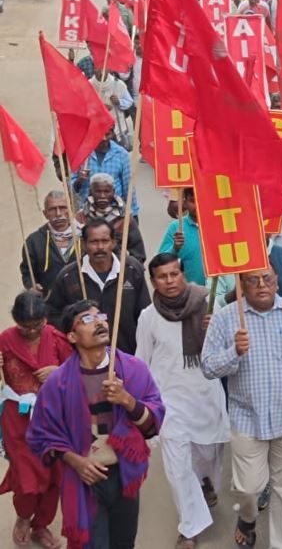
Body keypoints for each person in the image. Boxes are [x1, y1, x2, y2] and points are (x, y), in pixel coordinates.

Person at [26, 301, 164, 549]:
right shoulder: (57, 384)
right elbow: (39, 435)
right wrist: (74, 460)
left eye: (101, 316)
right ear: (71, 336)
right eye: (87, 320)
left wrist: (127, 400)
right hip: (83, 481)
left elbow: (152, 428)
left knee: (124, 543)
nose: (100, 322)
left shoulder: (133, 370)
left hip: (124, 476)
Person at [201, 267, 282, 549]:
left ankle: (280, 545)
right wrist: (234, 352)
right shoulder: (226, 318)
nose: (262, 285)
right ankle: (247, 517)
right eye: (252, 280)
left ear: (277, 281)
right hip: (246, 421)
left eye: (267, 278)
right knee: (248, 490)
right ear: (241, 285)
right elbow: (207, 367)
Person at [136, 254, 228, 549]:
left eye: (174, 274)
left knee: (208, 457)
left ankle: (205, 483)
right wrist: (144, 407)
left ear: (183, 275)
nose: (170, 281)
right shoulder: (148, 317)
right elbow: (142, 362)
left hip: (206, 397)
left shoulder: (208, 304)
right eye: (162, 276)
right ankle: (190, 527)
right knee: (177, 468)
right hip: (169, 405)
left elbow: (230, 350)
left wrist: (217, 328)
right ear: (153, 282)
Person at [0, 291, 72, 549]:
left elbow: (77, 371)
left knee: (54, 475)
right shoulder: (4, 340)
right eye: (24, 327)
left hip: (53, 419)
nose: (31, 332)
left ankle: (41, 525)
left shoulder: (55, 337)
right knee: (27, 479)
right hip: (17, 421)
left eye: (36, 326)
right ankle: (23, 516)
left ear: (45, 319)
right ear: (15, 321)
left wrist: (58, 372)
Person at [47, 219, 151, 354]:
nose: (100, 247)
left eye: (105, 241)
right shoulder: (68, 277)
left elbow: (145, 314)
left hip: (129, 355)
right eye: (94, 242)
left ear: (113, 243)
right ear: (84, 244)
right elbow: (54, 315)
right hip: (86, 360)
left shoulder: (131, 269)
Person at [20, 190, 79, 298]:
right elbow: (27, 272)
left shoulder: (84, 237)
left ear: (70, 210)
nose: (58, 213)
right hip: (50, 305)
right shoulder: (34, 241)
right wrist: (31, 286)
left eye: (63, 207)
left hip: (83, 303)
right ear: (45, 214)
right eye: (52, 209)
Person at [77, 172, 146, 262]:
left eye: (106, 192)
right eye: (98, 191)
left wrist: (129, 269)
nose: (102, 196)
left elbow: (138, 252)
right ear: (91, 192)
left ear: (113, 192)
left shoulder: (124, 218)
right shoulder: (81, 217)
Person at [71, 129, 138, 219]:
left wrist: (133, 214)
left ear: (112, 133)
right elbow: (72, 187)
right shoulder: (81, 153)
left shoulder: (122, 155)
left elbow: (128, 187)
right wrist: (80, 179)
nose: (103, 138)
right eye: (99, 134)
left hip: (115, 214)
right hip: (88, 214)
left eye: (107, 134)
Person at [159, 187, 206, 284]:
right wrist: (174, 248)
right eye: (192, 201)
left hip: (219, 295)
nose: (197, 205)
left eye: (201, 199)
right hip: (188, 294)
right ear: (184, 203)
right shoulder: (176, 227)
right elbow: (160, 262)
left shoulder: (220, 225)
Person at [90, 66, 134, 150]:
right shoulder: (89, 85)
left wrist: (119, 102)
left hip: (116, 129)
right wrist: (98, 107)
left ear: (108, 69)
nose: (100, 71)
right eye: (96, 68)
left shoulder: (118, 84)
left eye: (102, 68)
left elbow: (129, 101)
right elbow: (84, 105)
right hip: (96, 130)